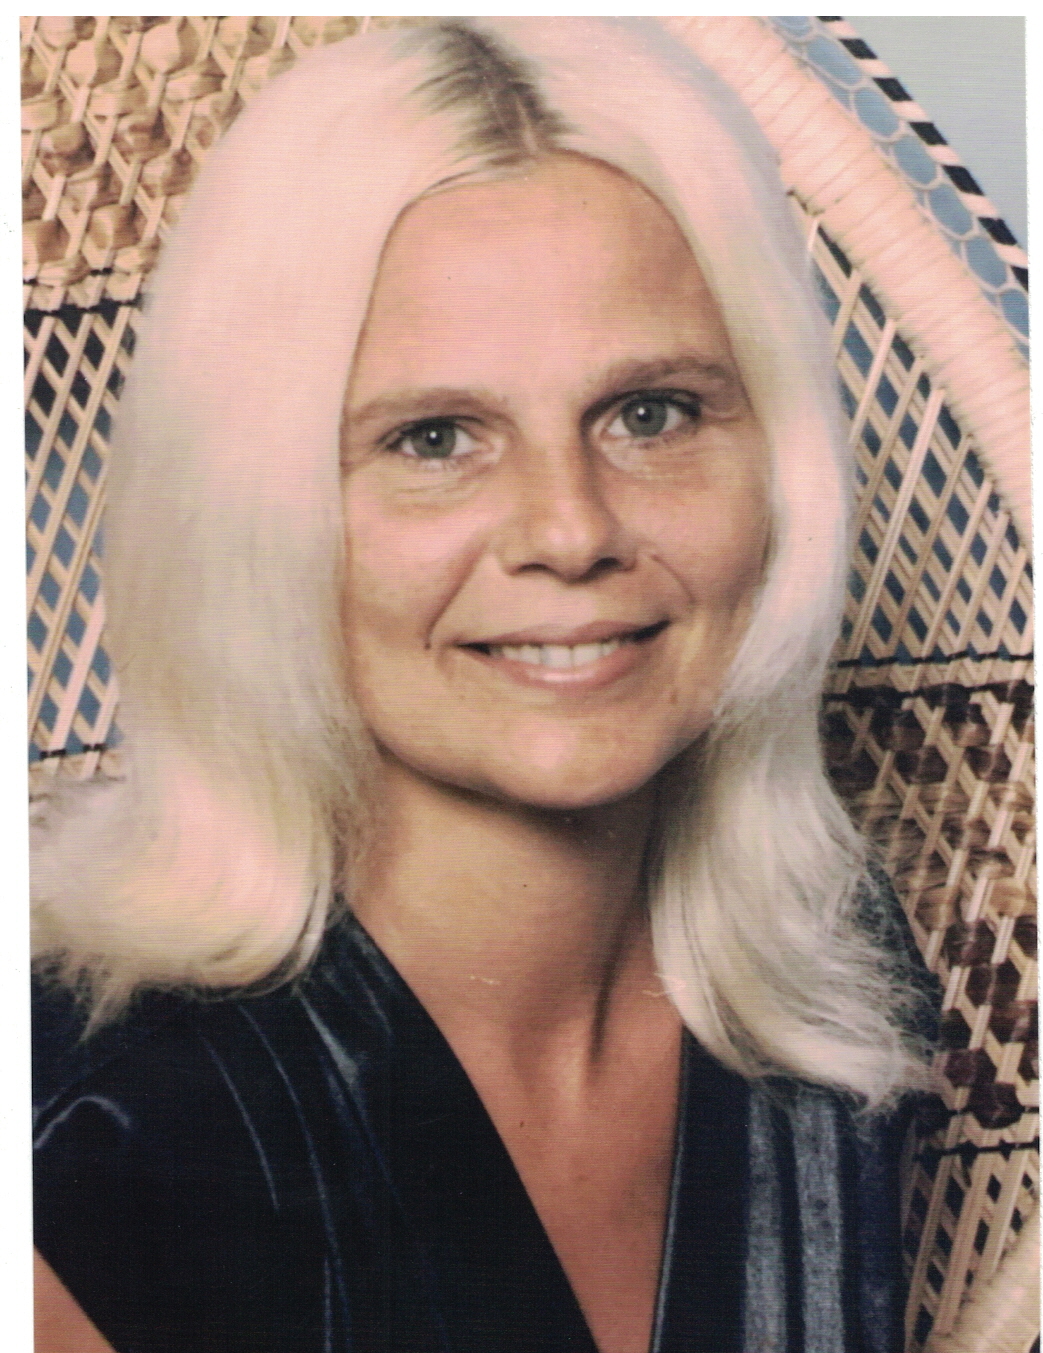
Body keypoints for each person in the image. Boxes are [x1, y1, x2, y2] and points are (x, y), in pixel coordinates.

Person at [31, 18, 937, 1353]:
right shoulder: (87, 1132)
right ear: (254, 511)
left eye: (651, 412)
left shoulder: (834, 994)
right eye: (436, 437)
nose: (571, 530)